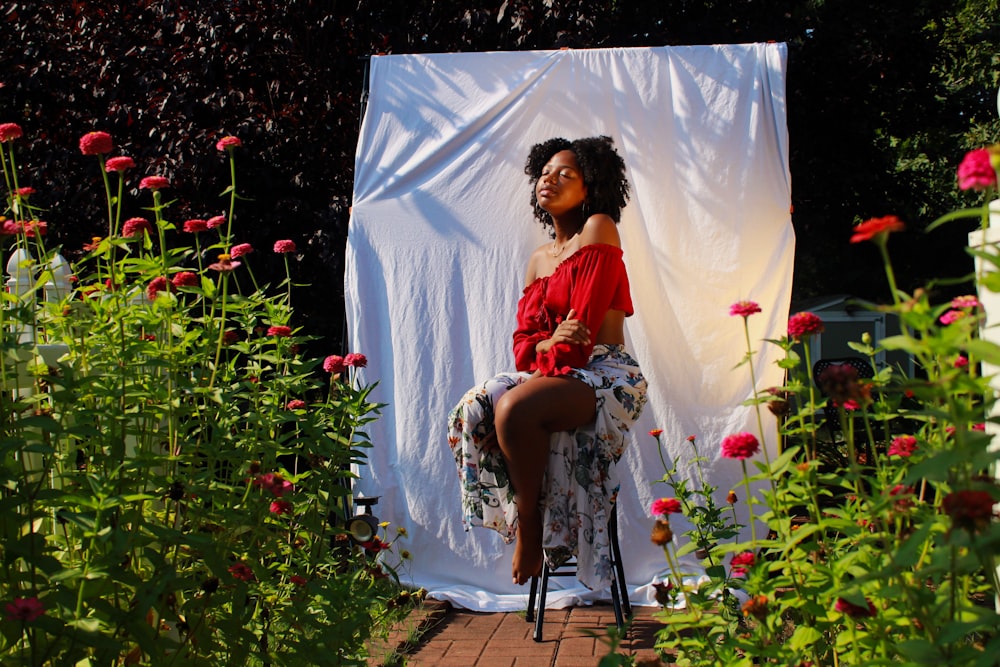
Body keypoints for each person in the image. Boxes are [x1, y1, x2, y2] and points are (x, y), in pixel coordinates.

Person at [448, 136, 647, 587]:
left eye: (565, 175)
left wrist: (546, 345)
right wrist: (544, 344)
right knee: (475, 406)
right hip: (553, 370)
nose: (549, 181)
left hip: (605, 373)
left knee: (515, 407)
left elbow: (581, 340)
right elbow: (521, 345)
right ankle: (528, 518)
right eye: (544, 173)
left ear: (589, 187)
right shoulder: (539, 259)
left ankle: (531, 530)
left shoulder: (599, 228)